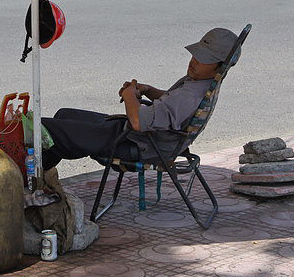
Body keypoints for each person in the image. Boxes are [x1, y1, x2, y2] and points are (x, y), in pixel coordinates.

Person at [40, 28, 239, 170]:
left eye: (204, 60)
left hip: (139, 146)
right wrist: (148, 90)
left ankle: (31, 182)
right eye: (197, 55)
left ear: (219, 67)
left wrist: (129, 96)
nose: (195, 61)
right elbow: (170, 105)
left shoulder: (191, 95)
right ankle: (42, 176)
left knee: (45, 129)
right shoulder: (200, 83)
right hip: (143, 138)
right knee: (64, 116)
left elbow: (137, 122)